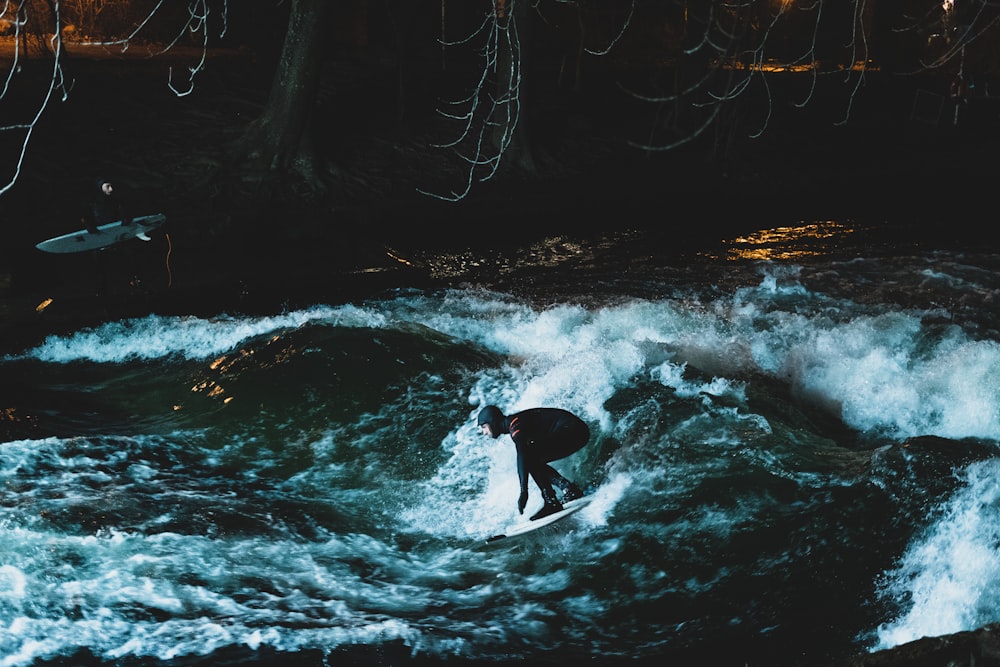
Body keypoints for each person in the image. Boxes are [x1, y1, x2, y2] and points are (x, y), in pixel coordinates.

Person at [477, 405, 589, 521]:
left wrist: (524, 491)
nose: (484, 432)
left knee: (528, 455)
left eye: (484, 427)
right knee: (531, 456)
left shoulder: (515, 423)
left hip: (574, 431)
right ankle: (567, 489)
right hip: (576, 431)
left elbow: (522, 454)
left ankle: (552, 500)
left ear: (493, 422)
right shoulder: (516, 423)